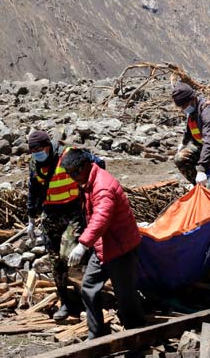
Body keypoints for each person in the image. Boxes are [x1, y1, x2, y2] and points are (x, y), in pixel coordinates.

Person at [61, 148, 146, 339]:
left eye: (74, 173)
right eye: (69, 174)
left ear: (84, 167)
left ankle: (137, 335)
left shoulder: (103, 186)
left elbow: (101, 217)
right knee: (89, 287)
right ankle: (96, 335)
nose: (72, 178)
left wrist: (83, 244)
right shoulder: (87, 181)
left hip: (121, 248)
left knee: (126, 297)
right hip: (103, 246)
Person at [26, 130, 101, 320]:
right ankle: (65, 303)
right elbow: (33, 189)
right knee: (56, 262)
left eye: (39, 150)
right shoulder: (35, 163)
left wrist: (92, 193)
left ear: (48, 146)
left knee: (70, 255)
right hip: (50, 213)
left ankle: (88, 300)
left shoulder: (68, 154)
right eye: (33, 151)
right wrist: (31, 219)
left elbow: (97, 164)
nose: (37, 154)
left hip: (72, 211)